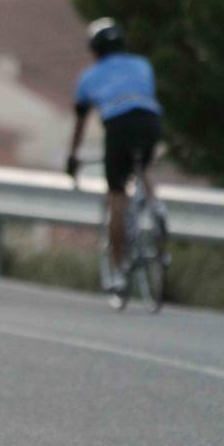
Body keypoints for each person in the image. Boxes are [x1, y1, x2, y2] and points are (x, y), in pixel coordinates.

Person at [66, 17, 163, 292]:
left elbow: (80, 123)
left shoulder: (88, 78)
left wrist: (73, 157)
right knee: (141, 165)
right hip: (150, 121)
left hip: (118, 126)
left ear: (94, 49)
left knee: (117, 194)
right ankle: (155, 207)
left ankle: (119, 272)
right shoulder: (142, 64)